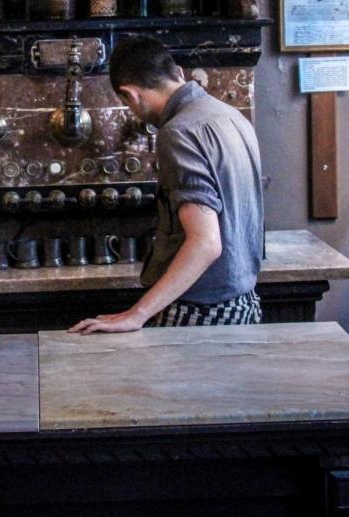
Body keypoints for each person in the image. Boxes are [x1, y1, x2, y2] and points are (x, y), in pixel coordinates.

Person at [69, 36, 264, 333]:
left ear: (130, 95)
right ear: (179, 73)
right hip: (245, 304)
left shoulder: (178, 132)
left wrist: (137, 314)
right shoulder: (232, 116)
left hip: (200, 312)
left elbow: (205, 242)